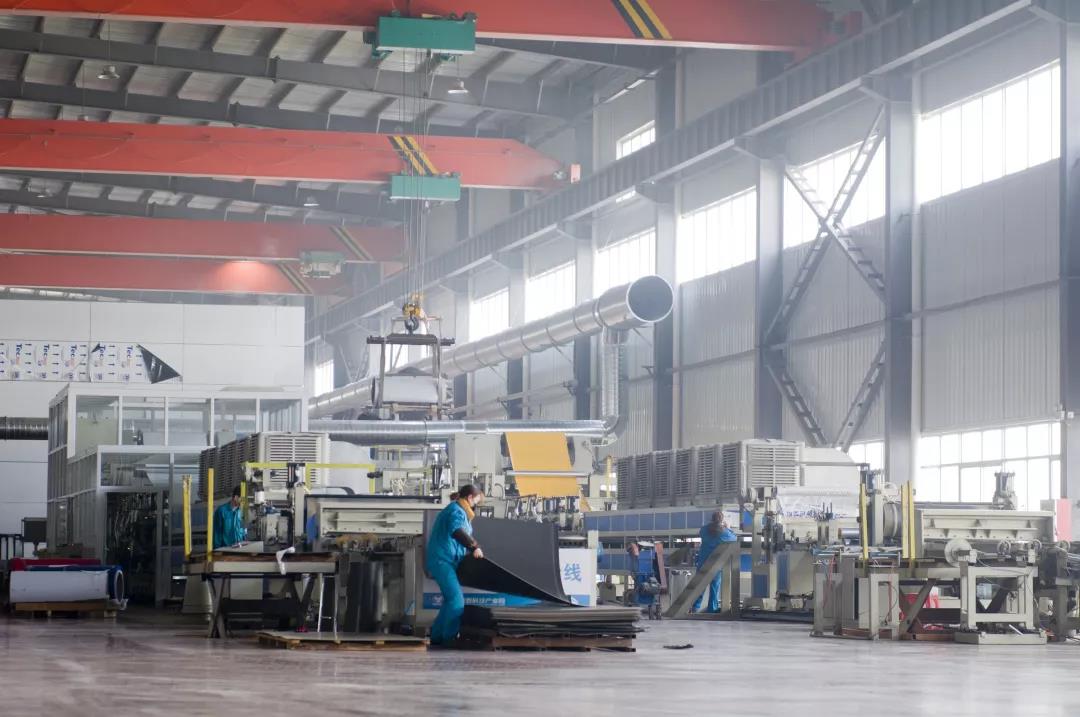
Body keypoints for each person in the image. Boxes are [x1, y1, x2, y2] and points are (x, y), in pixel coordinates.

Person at [426, 484, 485, 645]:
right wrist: (474, 547)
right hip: (442, 560)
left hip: (447, 560)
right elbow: (457, 531)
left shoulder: (460, 511)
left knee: (449, 600)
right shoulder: (456, 511)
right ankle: (449, 638)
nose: (476, 505)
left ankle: (437, 637)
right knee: (457, 601)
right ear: (470, 497)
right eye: (476, 501)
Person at [693, 511, 738, 613]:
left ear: (712, 519)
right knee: (714, 587)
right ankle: (712, 609)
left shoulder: (704, 530)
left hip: (703, 562)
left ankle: (695, 607)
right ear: (722, 520)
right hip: (716, 564)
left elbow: (701, 533)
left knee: (699, 587)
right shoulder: (724, 532)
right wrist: (728, 527)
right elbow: (734, 538)